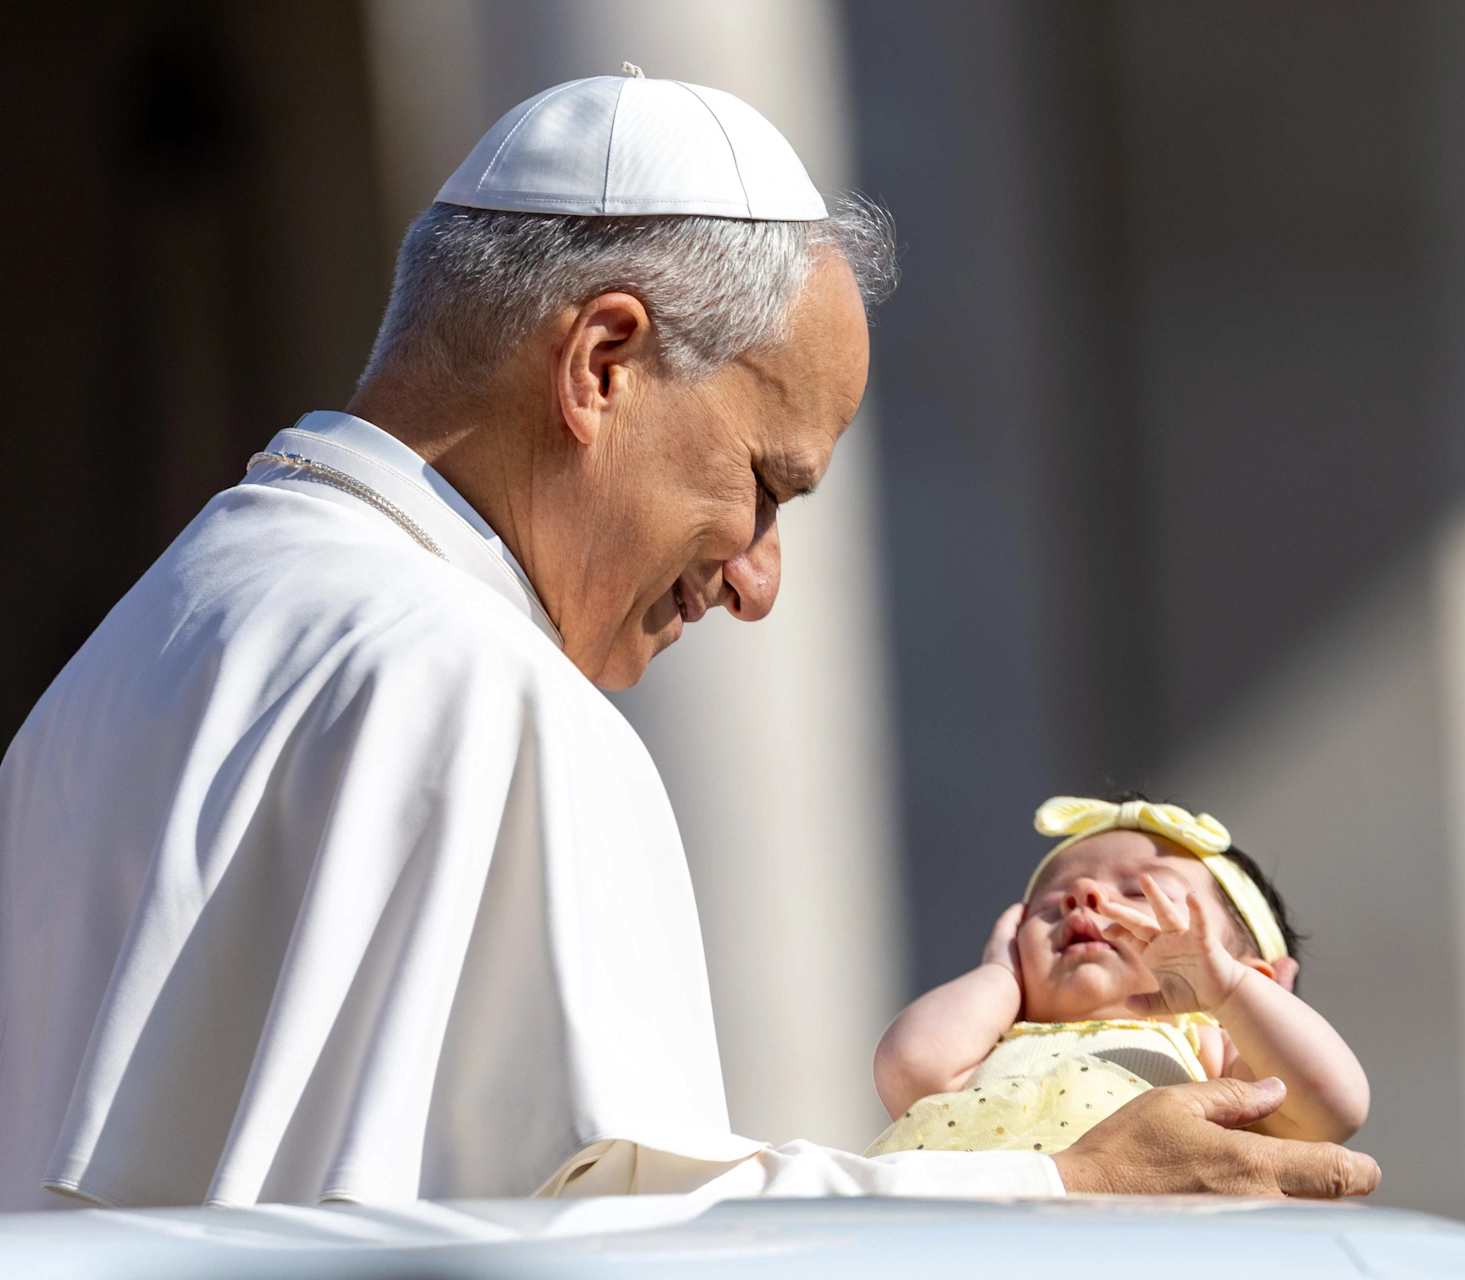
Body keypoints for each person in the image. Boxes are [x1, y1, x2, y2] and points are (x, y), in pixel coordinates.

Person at [0, 68, 1380, 1210]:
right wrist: (1063, 1191)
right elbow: (625, 1240)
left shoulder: (148, 637)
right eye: (768, 486)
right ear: (602, 364)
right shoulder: (484, 690)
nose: (760, 579)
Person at [870, 794, 1369, 1157]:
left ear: (1256, 977)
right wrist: (1001, 974)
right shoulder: (991, 1048)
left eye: (1137, 892)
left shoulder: (1205, 1041)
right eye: (1050, 902)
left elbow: (1329, 1107)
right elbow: (909, 1065)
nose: (1083, 894)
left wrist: (1232, 995)